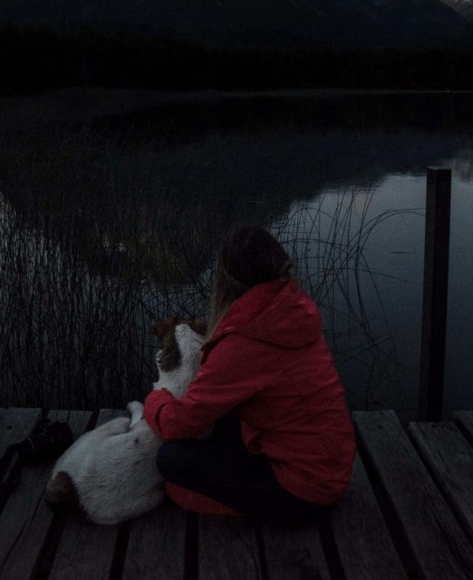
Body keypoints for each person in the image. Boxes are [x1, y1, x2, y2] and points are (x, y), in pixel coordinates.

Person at [143, 225, 356, 525]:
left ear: (228, 280)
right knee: (221, 419)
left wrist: (155, 399)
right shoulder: (289, 309)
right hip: (328, 466)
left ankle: (252, 505)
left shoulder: (245, 339)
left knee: (171, 460)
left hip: (304, 490)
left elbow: (176, 424)